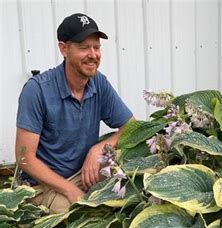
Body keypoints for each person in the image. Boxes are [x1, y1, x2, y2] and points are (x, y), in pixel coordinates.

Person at [15, 13, 133, 213]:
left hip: (83, 174)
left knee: (132, 187)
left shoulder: (98, 82)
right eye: (84, 47)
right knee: (80, 217)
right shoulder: (37, 90)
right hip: (44, 184)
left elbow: (131, 127)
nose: (93, 54)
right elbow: (24, 157)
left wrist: (98, 149)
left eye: (96, 47)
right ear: (64, 48)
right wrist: (69, 190)